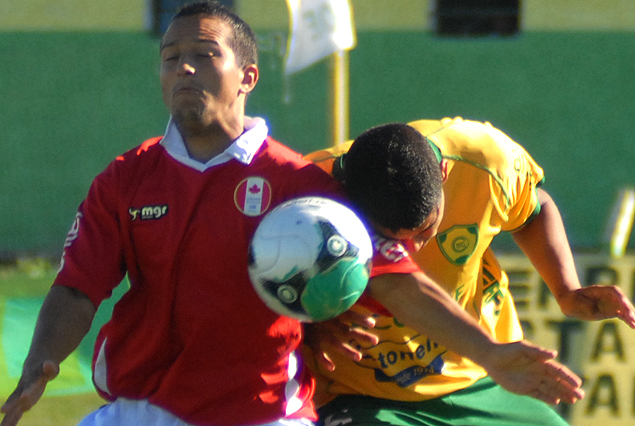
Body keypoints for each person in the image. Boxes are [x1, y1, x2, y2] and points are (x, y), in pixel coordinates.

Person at [0, 3, 345, 426]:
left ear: (247, 77)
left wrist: (337, 320)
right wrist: (40, 361)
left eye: (204, 54)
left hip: (263, 411)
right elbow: (77, 288)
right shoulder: (127, 177)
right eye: (171, 57)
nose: (184, 67)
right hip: (141, 409)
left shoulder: (299, 184)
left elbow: (355, 279)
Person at [304, 118, 635, 426]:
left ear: (444, 172)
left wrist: (566, 290)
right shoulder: (306, 197)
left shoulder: (485, 160)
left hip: (481, 372)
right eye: (392, 238)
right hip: (360, 394)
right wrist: (305, 325)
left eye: (425, 229)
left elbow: (533, 208)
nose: (412, 250)